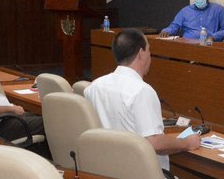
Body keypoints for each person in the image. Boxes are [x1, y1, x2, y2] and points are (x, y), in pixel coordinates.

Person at [84, 28, 200, 171]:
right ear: (141, 53)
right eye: (149, 50)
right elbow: (155, 143)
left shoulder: (94, 87)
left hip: (106, 170)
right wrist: (186, 143)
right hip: (142, 176)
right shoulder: (142, 91)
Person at [158, 0, 224, 42]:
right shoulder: (185, 11)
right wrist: (167, 31)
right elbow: (175, 26)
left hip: (208, 45)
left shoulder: (218, 9)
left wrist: (213, 37)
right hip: (187, 45)